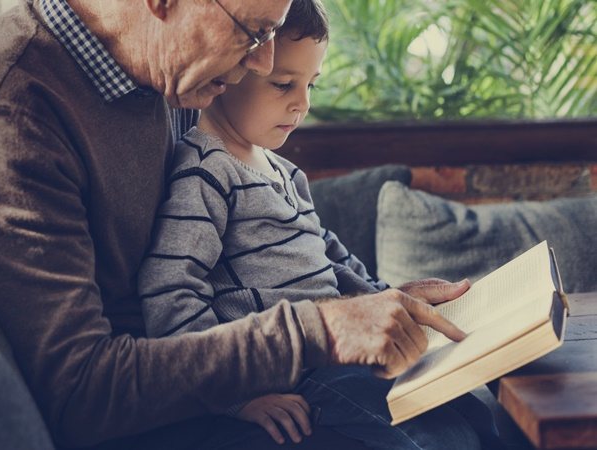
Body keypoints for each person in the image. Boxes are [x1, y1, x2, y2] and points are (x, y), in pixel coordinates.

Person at [0, 0, 474, 448]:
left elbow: (259, 238)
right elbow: (80, 392)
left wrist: (383, 302)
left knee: (463, 406)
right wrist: (320, 329)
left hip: (222, 374)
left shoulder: (168, 73)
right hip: (150, 414)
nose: (261, 65)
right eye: (254, 31)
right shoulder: (11, 105)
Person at [138, 2, 502, 449]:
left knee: (473, 409)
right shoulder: (205, 172)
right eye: (284, 84)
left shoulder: (285, 173)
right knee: (440, 439)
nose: (302, 103)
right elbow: (169, 293)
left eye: (311, 84)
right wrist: (237, 398)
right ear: (232, 70)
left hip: (343, 350)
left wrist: (391, 298)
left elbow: (331, 255)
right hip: (298, 370)